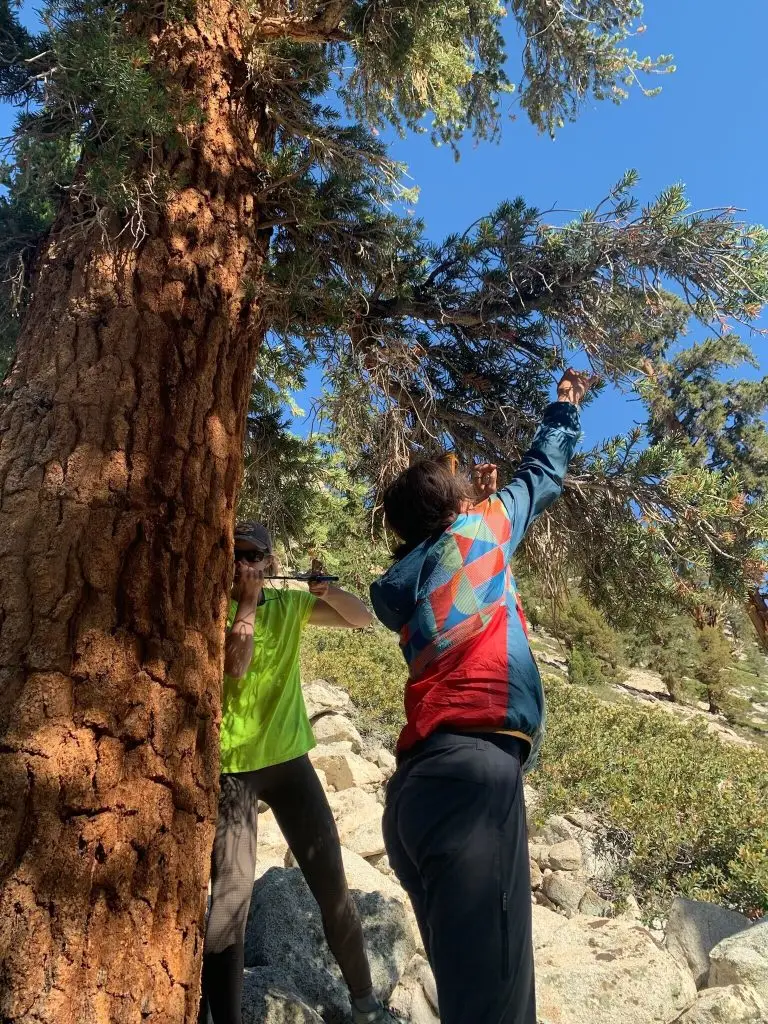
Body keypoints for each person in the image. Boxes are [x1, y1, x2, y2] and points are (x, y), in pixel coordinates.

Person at [369, 369, 592, 1024]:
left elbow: (443, 561)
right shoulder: (483, 529)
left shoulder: (402, 581)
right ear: (457, 504)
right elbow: (544, 472)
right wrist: (564, 403)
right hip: (473, 784)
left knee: (472, 1002)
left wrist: (467, 512)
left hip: (415, 794)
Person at [199, 522, 390, 1024]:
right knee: (231, 904)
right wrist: (245, 602)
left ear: (270, 560)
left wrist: (329, 590)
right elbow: (235, 666)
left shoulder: (289, 606)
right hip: (233, 771)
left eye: (255, 555)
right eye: (235, 555)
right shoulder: (208, 611)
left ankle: (366, 1003)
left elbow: (360, 618)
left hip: (290, 761)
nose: (245, 565)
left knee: (333, 887)